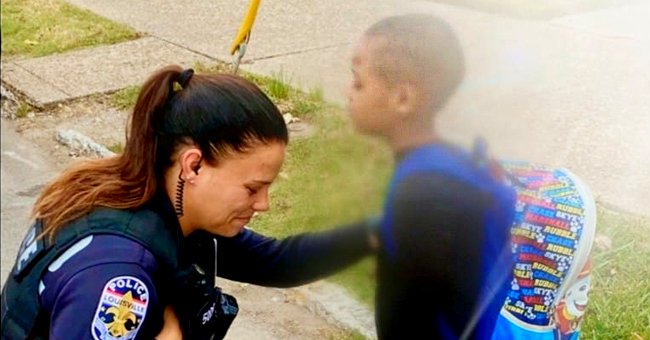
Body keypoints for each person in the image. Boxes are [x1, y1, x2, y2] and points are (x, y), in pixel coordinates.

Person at [1, 65, 378, 339]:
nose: (263, 204)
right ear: (194, 165)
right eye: (252, 188)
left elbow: (275, 262)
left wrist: (372, 235)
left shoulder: (150, 200)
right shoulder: (120, 278)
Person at [346, 14, 517, 339]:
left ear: (403, 98)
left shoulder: (422, 191)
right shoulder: (451, 167)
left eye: (358, 82)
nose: (349, 93)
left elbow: (419, 312)